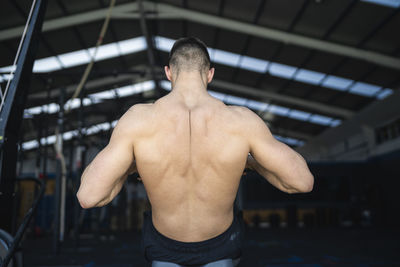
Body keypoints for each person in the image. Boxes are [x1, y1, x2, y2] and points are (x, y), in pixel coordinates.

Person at [76, 37, 314, 266]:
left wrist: (133, 165)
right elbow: (301, 182)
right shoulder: (241, 121)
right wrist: (250, 162)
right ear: (210, 74)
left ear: (168, 72)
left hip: (163, 245)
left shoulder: (138, 120)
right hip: (222, 243)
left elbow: (89, 196)